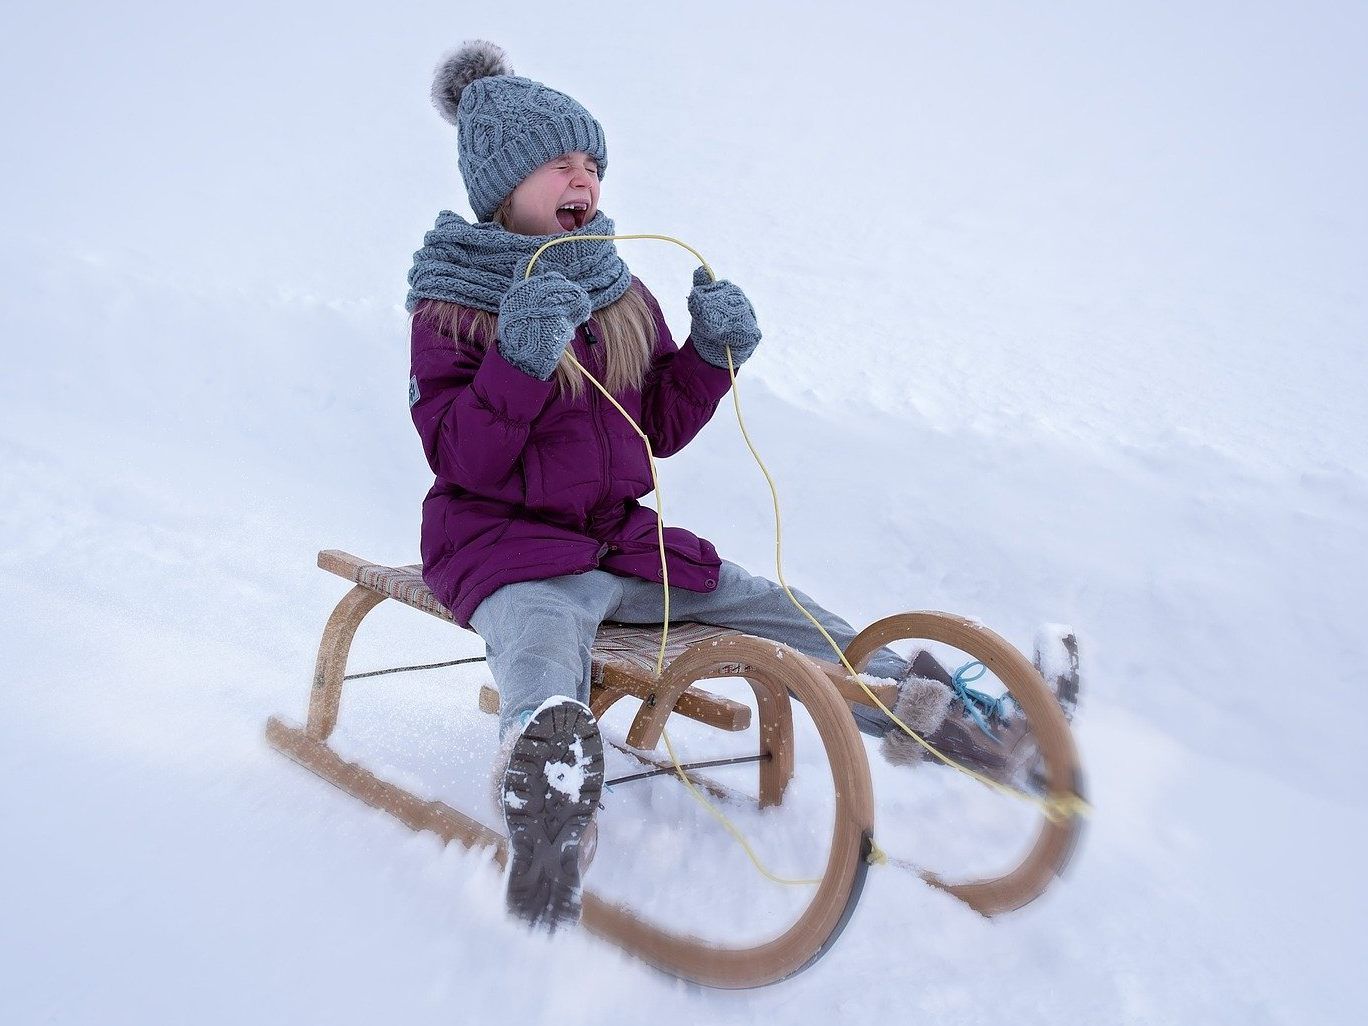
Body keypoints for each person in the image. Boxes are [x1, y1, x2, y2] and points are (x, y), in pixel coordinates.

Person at [404, 41, 1024, 931]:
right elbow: (461, 459)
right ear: (505, 183)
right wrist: (519, 357)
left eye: (595, 163)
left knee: (772, 604)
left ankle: (930, 708)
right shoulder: (452, 305)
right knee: (540, 645)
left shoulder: (615, 289)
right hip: (507, 552)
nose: (586, 178)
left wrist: (710, 355)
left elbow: (654, 424)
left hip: (621, 543)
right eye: (562, 162)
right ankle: (548, 793)